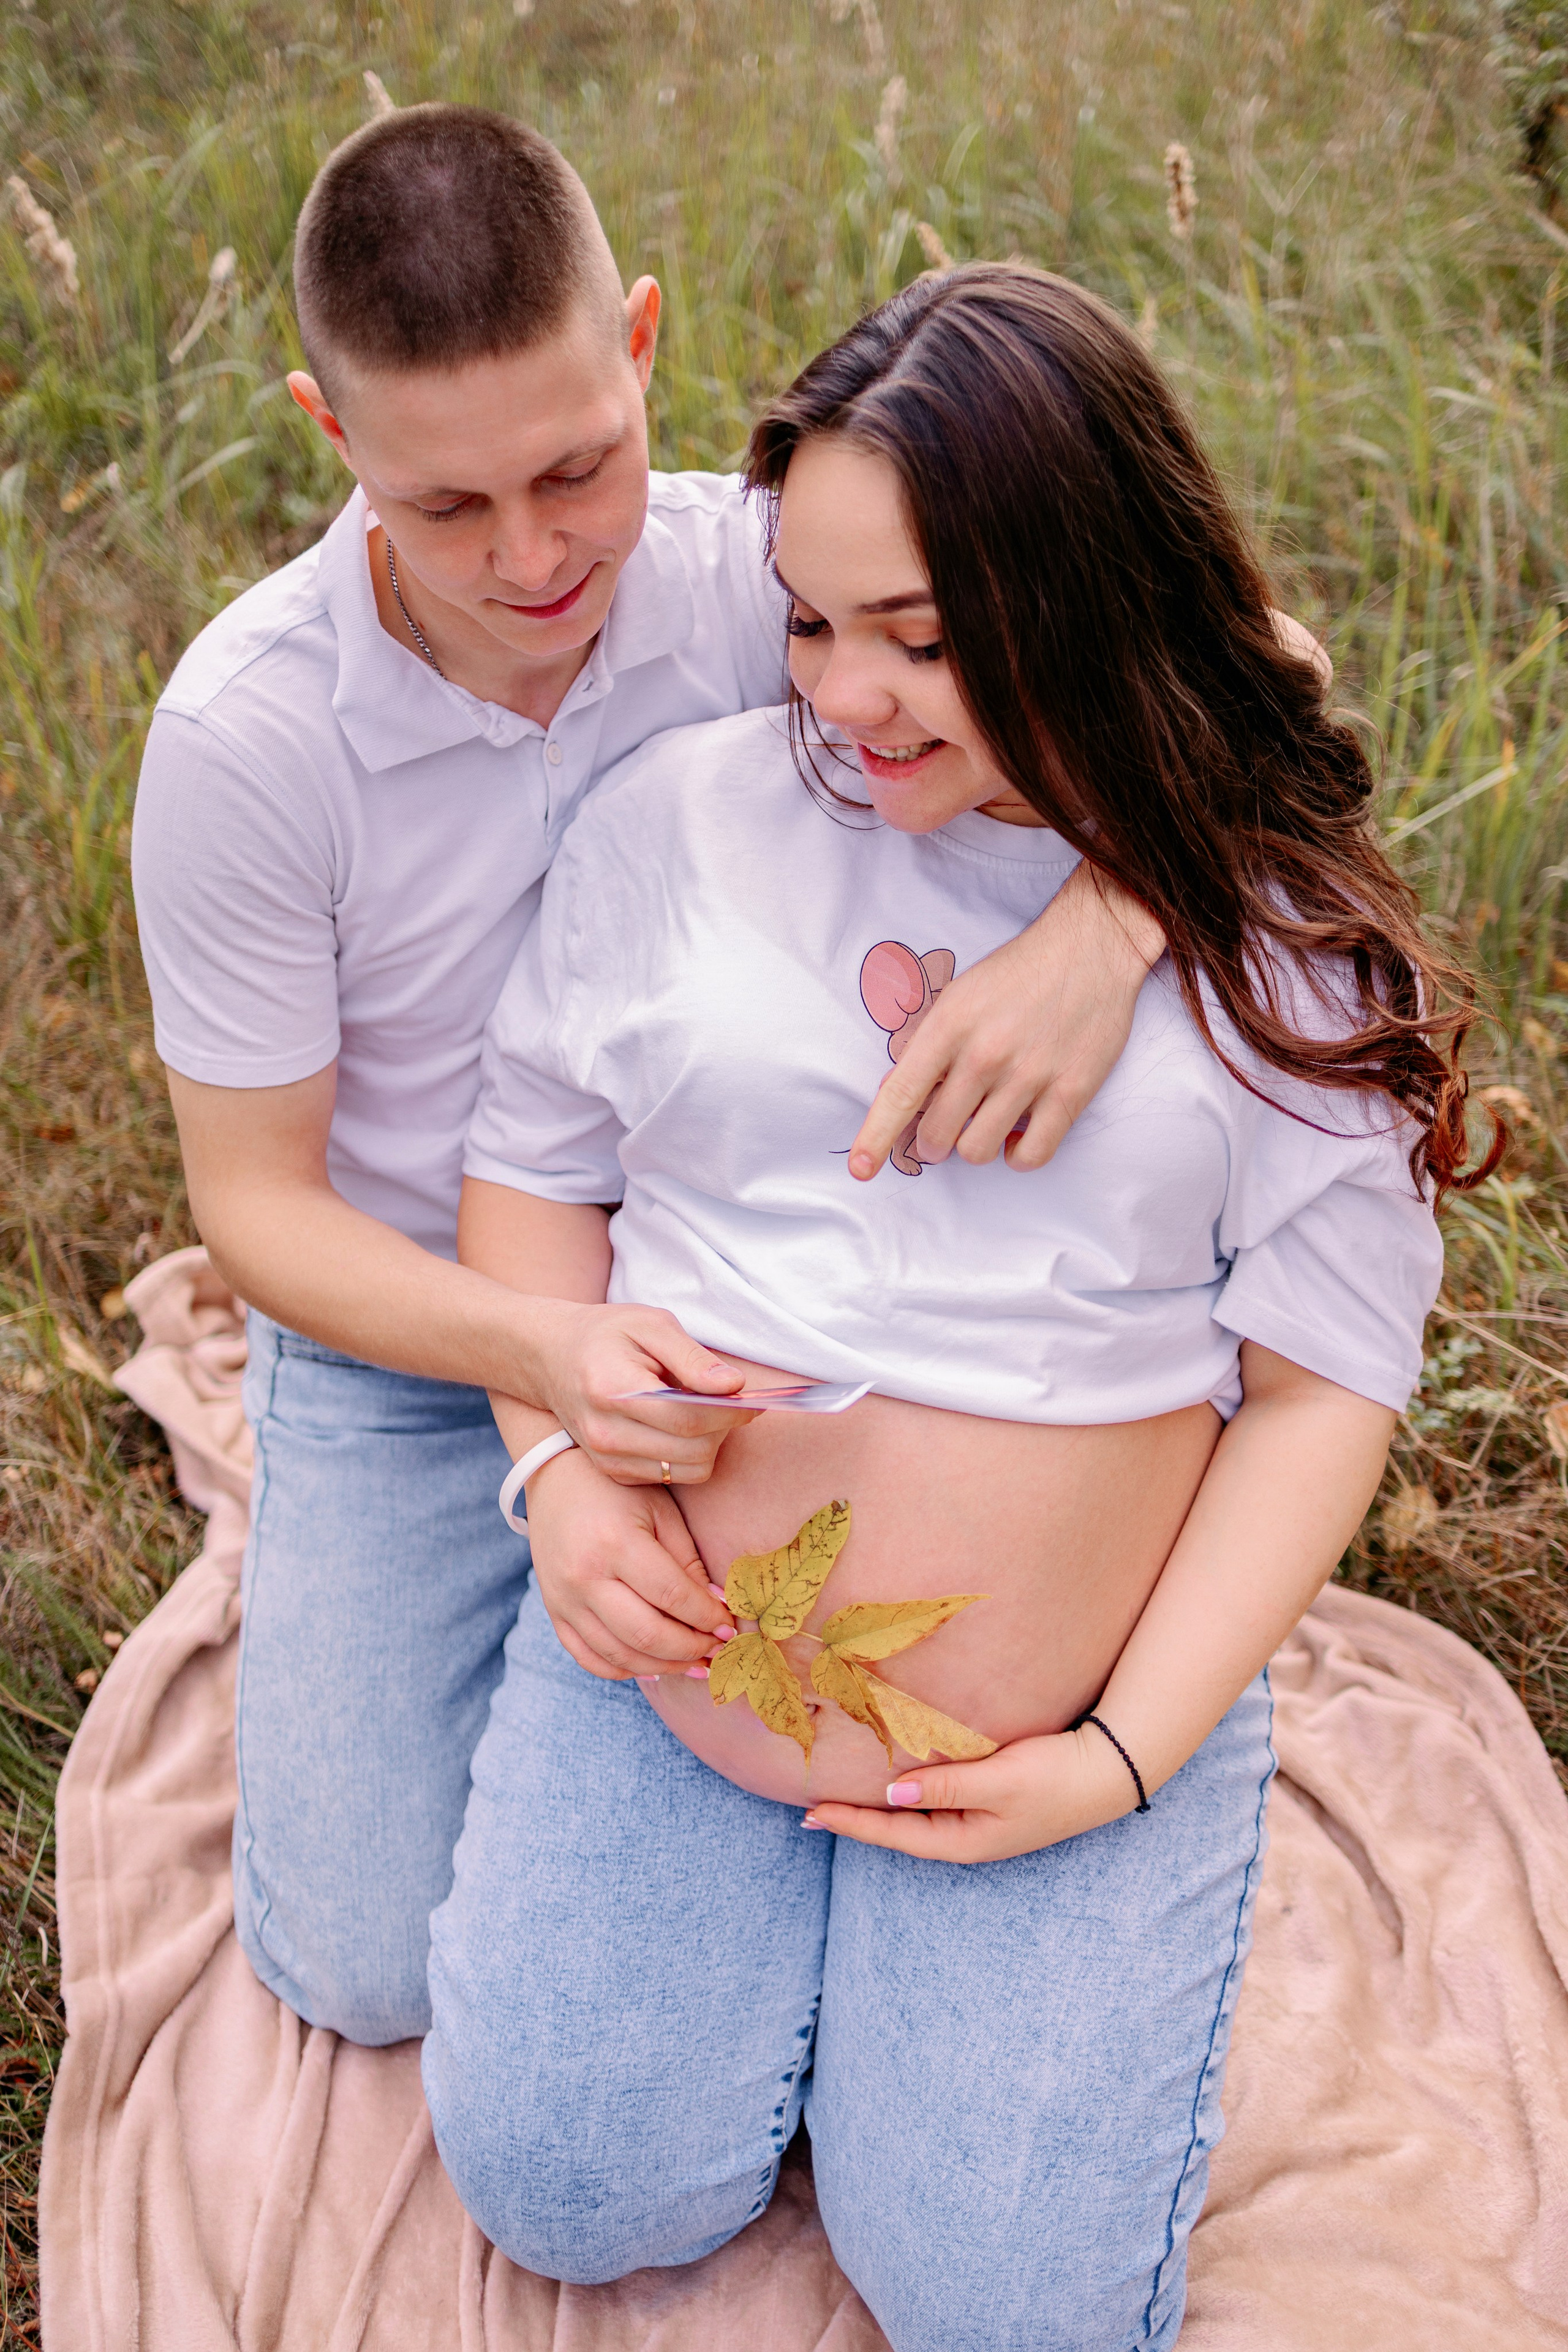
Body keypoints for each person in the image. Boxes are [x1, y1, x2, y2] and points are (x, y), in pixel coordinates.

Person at [422, 265, 1491, 2351]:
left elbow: (1321, 1382)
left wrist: (1123, 1749)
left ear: (1086, 597)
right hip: (675, 1653)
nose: (848, 694)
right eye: (812, 623)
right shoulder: (686, 825)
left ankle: (1003, 1953)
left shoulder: (1263, 945)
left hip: (1054, 1718)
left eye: (923, 636)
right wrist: (556, 1471)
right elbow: (536, 1166)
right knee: (569, 2183)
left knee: (1011, 2308)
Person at [130, 109, 1200, 2046]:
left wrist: (1112, 922)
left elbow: (1237, 656)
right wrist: (541, 1412)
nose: (532, 557)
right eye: (443, 507)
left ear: (640, 345)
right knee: (361, 1970)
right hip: (417, 1330)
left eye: (575, 469)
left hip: (733, 1275)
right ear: (327, 433)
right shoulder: (244, 744)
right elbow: (253, 1206)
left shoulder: (771, 582)